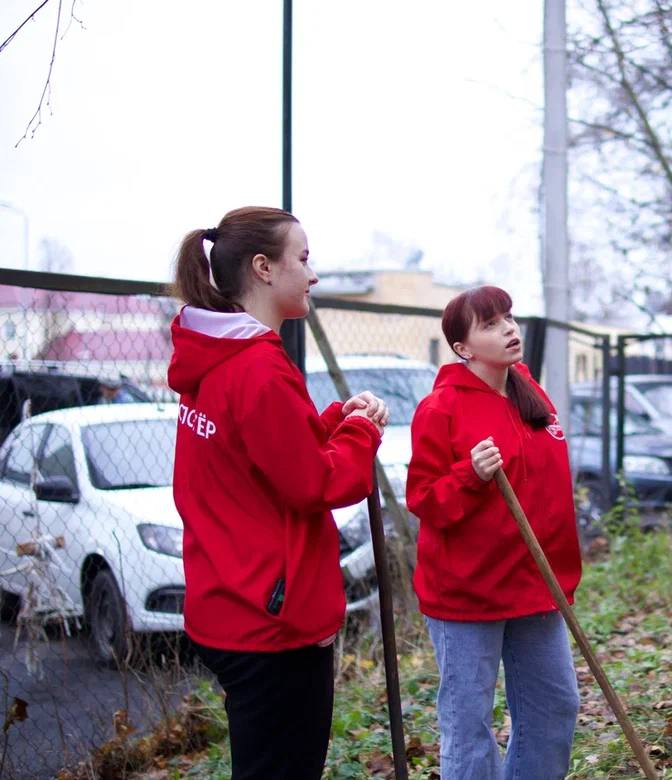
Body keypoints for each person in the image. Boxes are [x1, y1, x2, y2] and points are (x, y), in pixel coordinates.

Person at [168, 206, 388, 780]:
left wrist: (336, 420)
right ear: (263, 268)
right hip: (271, 624)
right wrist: (362, 434)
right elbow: (318, 482)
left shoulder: (216, 357)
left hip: (230, 600)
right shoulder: (257, 368)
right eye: (304, 259)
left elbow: (267, 457)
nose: (312, 275)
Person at [406, 286, 581, 780]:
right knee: (469, 728)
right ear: (463, 348)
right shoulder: (440, 409)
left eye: (508, 317)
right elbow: (423, 500)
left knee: (554, 708)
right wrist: (470, 475)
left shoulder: (529, 392)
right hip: (468, 595)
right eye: (490, 324)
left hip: (535, 586)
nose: (508, 329)